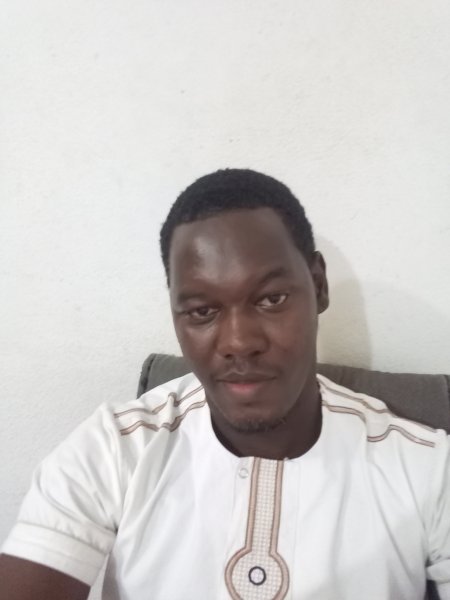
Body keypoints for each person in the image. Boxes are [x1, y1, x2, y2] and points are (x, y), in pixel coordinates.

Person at [1, 168, 449, 600]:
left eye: (271, 299)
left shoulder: (427, 470)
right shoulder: (114, 450)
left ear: (318, 286)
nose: (239, 343)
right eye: (202, 311)